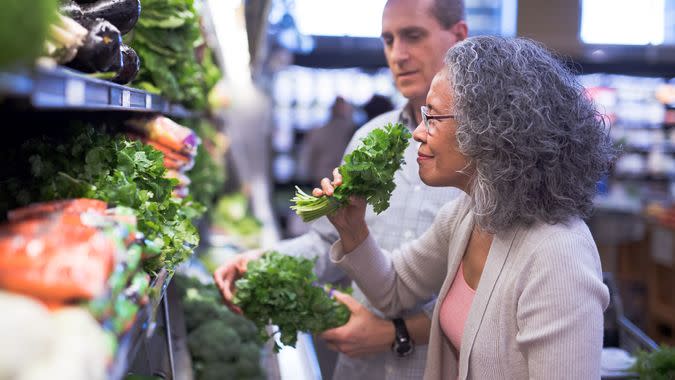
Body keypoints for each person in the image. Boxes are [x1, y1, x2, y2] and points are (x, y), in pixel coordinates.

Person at [315, 36, 615, 380]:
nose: (417, 133)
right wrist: (352, 229)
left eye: (433, 117)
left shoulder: (558, 254)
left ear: (492, 129)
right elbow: (394, 290)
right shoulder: (468, 216)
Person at [215, 0, 468, 378]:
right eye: (388, 39)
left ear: (458, 37)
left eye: (413, 36)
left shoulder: (482, 154)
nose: (397, 54)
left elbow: (484, 295)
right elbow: (328, 243)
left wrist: (394, 332)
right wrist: (265, 261)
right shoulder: (368, 138)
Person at [298, 96, 356, 183]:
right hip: (338, 179)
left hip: (323, 178)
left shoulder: (318, 131)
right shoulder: (353, 132)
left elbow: (307, 159)